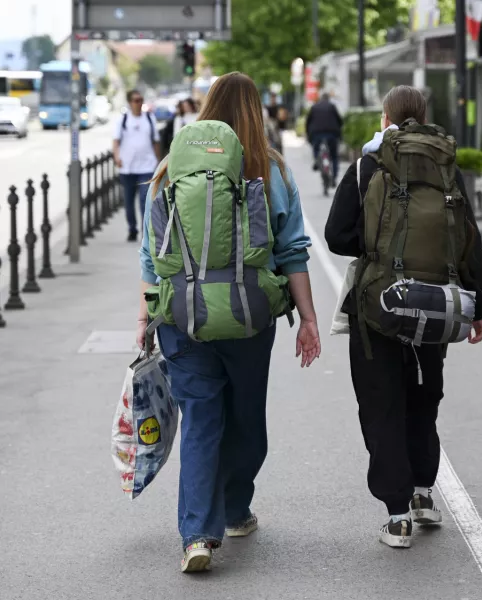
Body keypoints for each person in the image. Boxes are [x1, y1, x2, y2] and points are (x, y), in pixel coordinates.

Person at [138, 72, 321, 573]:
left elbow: (151, 256)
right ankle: (236, 511)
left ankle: (197, 535)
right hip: (248, 316)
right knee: (245, 419)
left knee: (200, 419)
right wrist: (307, 319)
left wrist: (144, 318)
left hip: (182, 318)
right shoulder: (271, 170)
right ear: (256, 112)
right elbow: (293, 252)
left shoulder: (169, 169)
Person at [324, 85, 482, 550]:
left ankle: (397, 517)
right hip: (437, 303)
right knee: (423, 398)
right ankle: (423, 495)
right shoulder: (445, 167)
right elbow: (468, 241)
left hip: (378, 305)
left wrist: (377, 250)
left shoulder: (367, 166)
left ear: (385, 118)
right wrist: (479, 306)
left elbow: (336, 235)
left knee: (382, 407)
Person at [113, 89, 160, 242]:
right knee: (128, 202)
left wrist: (158, 161)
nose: (139, 103)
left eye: (141, 100)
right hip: (128, 167)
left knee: (144, 201)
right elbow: (116, 141)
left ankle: (144, 232)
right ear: (130, 102)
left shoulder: (149, 118)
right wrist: (117, 157)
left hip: (147, 166)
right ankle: (132, 228)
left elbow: (155, 141)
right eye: (136, 100)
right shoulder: (123, 120)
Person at [306, 92, 343, 185]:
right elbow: (339, 120)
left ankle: (317, 161)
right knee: (334, 156)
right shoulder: (332, 106)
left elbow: (308, 122)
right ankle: (334, 178)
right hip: (332, 134)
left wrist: (308, 134)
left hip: (316, 134)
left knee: (315, 149)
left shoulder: (314, 107)